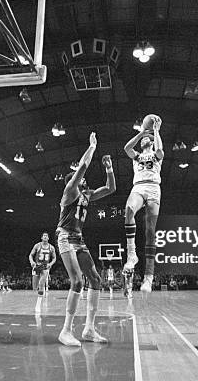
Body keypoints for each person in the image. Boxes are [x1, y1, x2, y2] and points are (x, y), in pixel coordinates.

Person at [56, 132, 116, 346]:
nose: (84, 179)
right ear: (73, 182)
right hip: (65, 237)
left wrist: (109, 168)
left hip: (79, 238)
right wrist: (92, 147)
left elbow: (111, 188)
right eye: (80, 179)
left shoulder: (87, 195)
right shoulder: (70, 192)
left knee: (96, 280)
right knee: (78, 281)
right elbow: (82, 168)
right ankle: (65, 331)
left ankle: (89, 329)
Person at [122, 116, 164, 293]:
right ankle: (132, 254)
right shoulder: (137, 156)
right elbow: (126, 148)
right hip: (139, 187)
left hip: (154, 188)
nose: (147, 140)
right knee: (129, 209)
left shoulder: (156, 155)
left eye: (149, 139)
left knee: (150, 231)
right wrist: (141, 133)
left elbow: (161, 150)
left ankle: (148, 277)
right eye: (145, 139)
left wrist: (156, 131)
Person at [29, 232, 57, 312]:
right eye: (44, 236)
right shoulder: (37, 246)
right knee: (35, 287)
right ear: (41, 238)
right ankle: (40, 292)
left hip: (45, 267)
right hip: (37, 266)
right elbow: (30, 255)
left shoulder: (51, 248)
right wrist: (32, 262)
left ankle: (38, 305)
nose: (45, 237)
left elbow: (54, 258)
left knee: (41, 284)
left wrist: (50, 264)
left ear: (48, 238)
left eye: (46, 236)